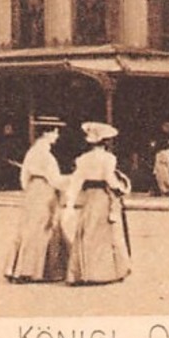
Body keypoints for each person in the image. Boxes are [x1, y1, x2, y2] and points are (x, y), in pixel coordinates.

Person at [63, 122, 131, 285]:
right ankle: (103, 273)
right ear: (106, 142)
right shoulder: (109, 158)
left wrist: (70, 203)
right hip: (103, 196)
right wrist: (120, 188)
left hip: (89, 196)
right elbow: (109, 178)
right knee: (105, 233)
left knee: (87, 230)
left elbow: (76, 182)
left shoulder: (82, 159)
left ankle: (82, 272)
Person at [5, 126, 68, 283]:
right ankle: (36, 271)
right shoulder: (47, 156)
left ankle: (18, 268)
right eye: (55, 132)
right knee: (44, 228)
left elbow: (24, 177)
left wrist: (31, 189)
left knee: (29, 227)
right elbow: (55, 179)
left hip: (33, 190)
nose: (57, 135)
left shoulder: (32, 152)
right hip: (45, 191)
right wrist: (70, 182)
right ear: (46, 133)